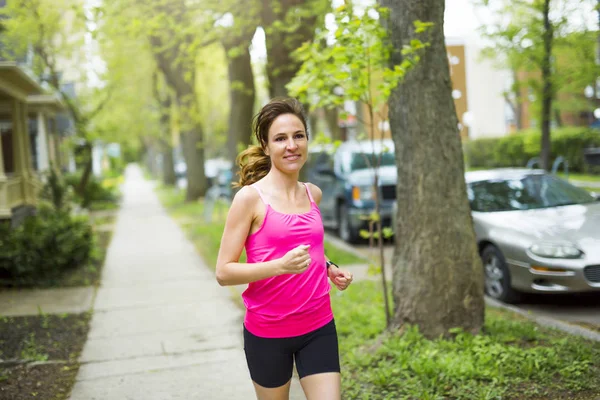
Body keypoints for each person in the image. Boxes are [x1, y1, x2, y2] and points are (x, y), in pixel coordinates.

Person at [215, 97, 354, 400]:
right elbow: (224, 272)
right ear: (266, 146)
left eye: (298, 135)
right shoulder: (250, 199)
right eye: (280, 138)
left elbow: (306, 248)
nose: (291, 145)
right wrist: (279, 266)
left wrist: (329, 267)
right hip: (267, 333)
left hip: (318, 326)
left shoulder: (311, 193)